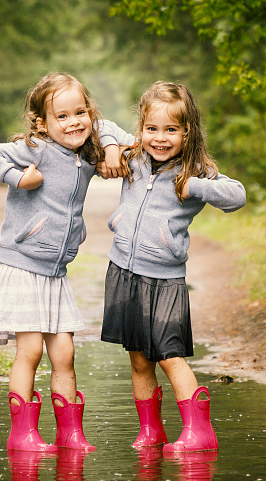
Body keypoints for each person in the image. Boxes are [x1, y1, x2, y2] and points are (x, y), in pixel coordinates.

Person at [0, 72, 130, 453]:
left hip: (55, 273)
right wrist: (16, 178)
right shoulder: (36, 148)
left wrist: (109, 149)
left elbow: (112, 129)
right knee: (31, 351)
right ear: (43, 123)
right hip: (24, 264)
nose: (74, 122)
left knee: (65, 353)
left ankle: (70, 433)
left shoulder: (88, 152)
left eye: (81, 112)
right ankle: (22, 433)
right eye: (62, 116)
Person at [99, 81, 246, 452]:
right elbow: (98, 125)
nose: (160, 138)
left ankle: (200, 431)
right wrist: (113, 148)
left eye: (171, 130)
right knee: (137, 358)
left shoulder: (196, 169)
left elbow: (237, 196)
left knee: (168, 354)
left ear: (187, 131)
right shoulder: (133, 155)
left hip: (164, 279)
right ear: (141, 128)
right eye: (152, 129)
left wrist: (194, 185)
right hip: (123, 271)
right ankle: (151, 431)